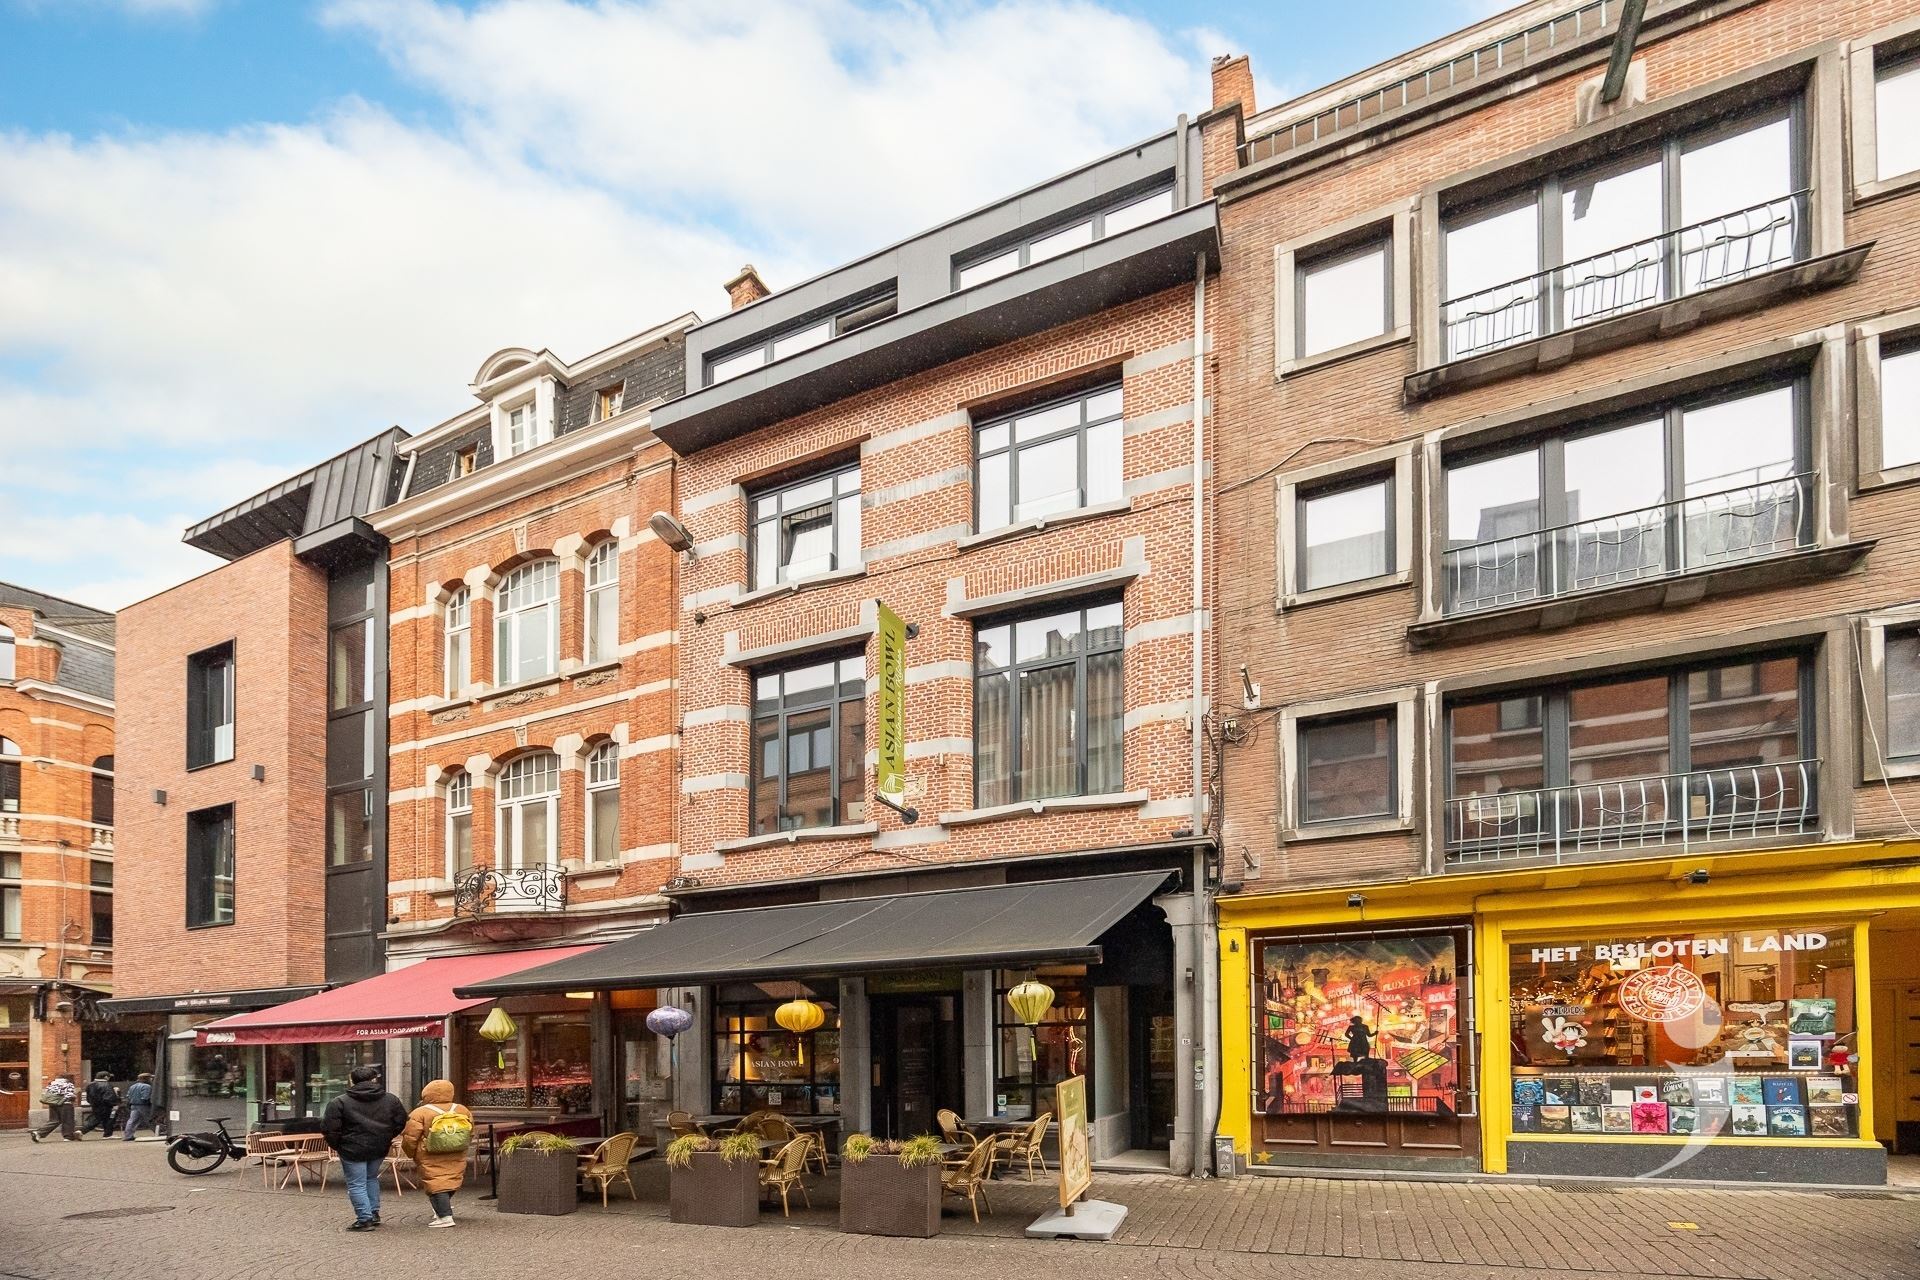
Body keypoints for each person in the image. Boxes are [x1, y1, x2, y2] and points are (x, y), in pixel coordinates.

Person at [321, 1066, 408, 1231]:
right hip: (379, 1146)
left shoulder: (339, 1102)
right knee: (371, 1178)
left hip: (352, 1148)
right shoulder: (391, 1099)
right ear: (374, 1079)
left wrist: (338, 1145)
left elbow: (329, 1128)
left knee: (356, 1184)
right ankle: (373, 1213)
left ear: (352, 1080)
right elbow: (401, 1121)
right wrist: (387, 1136)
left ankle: (364, 1219)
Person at [399, 1079, 473, 1228]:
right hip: (456, 1151)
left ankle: (445, 1216)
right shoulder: (462, 1109)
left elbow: (410, 1137)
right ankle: (442, 1209)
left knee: (435, 1183)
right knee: (451, 1179)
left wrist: (410, 1152)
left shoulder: (420, 1112)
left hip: (429, 1153)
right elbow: (470, 1131)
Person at [30, 1073, 79, 1142]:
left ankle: (39, 1133)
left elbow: (47, 1093)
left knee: (54, 1120)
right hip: (65, 1104)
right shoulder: (68, 1084)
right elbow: (69, 1095)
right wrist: (74, 1097)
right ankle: (68, 1137)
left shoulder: (52, 1083)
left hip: (53, 1104)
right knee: (68, 1121)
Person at [80, 1072, 118, 1139]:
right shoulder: (107, 1085)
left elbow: (88, 1097)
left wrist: (92, 1103)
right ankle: (81, 1131)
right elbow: (109, 1097)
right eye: (108, 1077)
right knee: (108, 1119)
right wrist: (114, 1104)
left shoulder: (90, 1085)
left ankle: (107, 1134)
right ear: (105, 1077)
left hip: (95, 1105)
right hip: (106, 1106)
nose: (109, 1078)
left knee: (98, 1118)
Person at [123, 1073, 155, 1140]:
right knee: (150, 1119)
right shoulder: (147, 1086)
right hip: (143, 1106)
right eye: (150, 1078)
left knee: (132, 1120)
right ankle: (159, 1132)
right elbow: (146, 1097)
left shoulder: (132, 1086)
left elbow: (128, 1096)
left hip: (133, 1105)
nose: (152, 1079)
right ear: (147, 1079)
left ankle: (128, 1136)